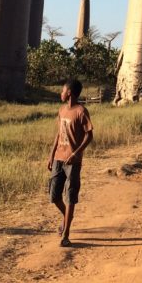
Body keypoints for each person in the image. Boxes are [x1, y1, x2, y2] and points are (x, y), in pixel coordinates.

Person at [47, 78, 94, 248]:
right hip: (59, 158)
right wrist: (51, 155)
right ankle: (67, 217)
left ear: (70, 93)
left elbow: (90, 135)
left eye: (62, 90)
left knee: (70, 196)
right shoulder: (61, 110)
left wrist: (76, 153)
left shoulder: (81, 111)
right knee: (54, 196)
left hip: (73, 161)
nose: (60, 93)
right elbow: (58, 134)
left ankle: (66, 234)